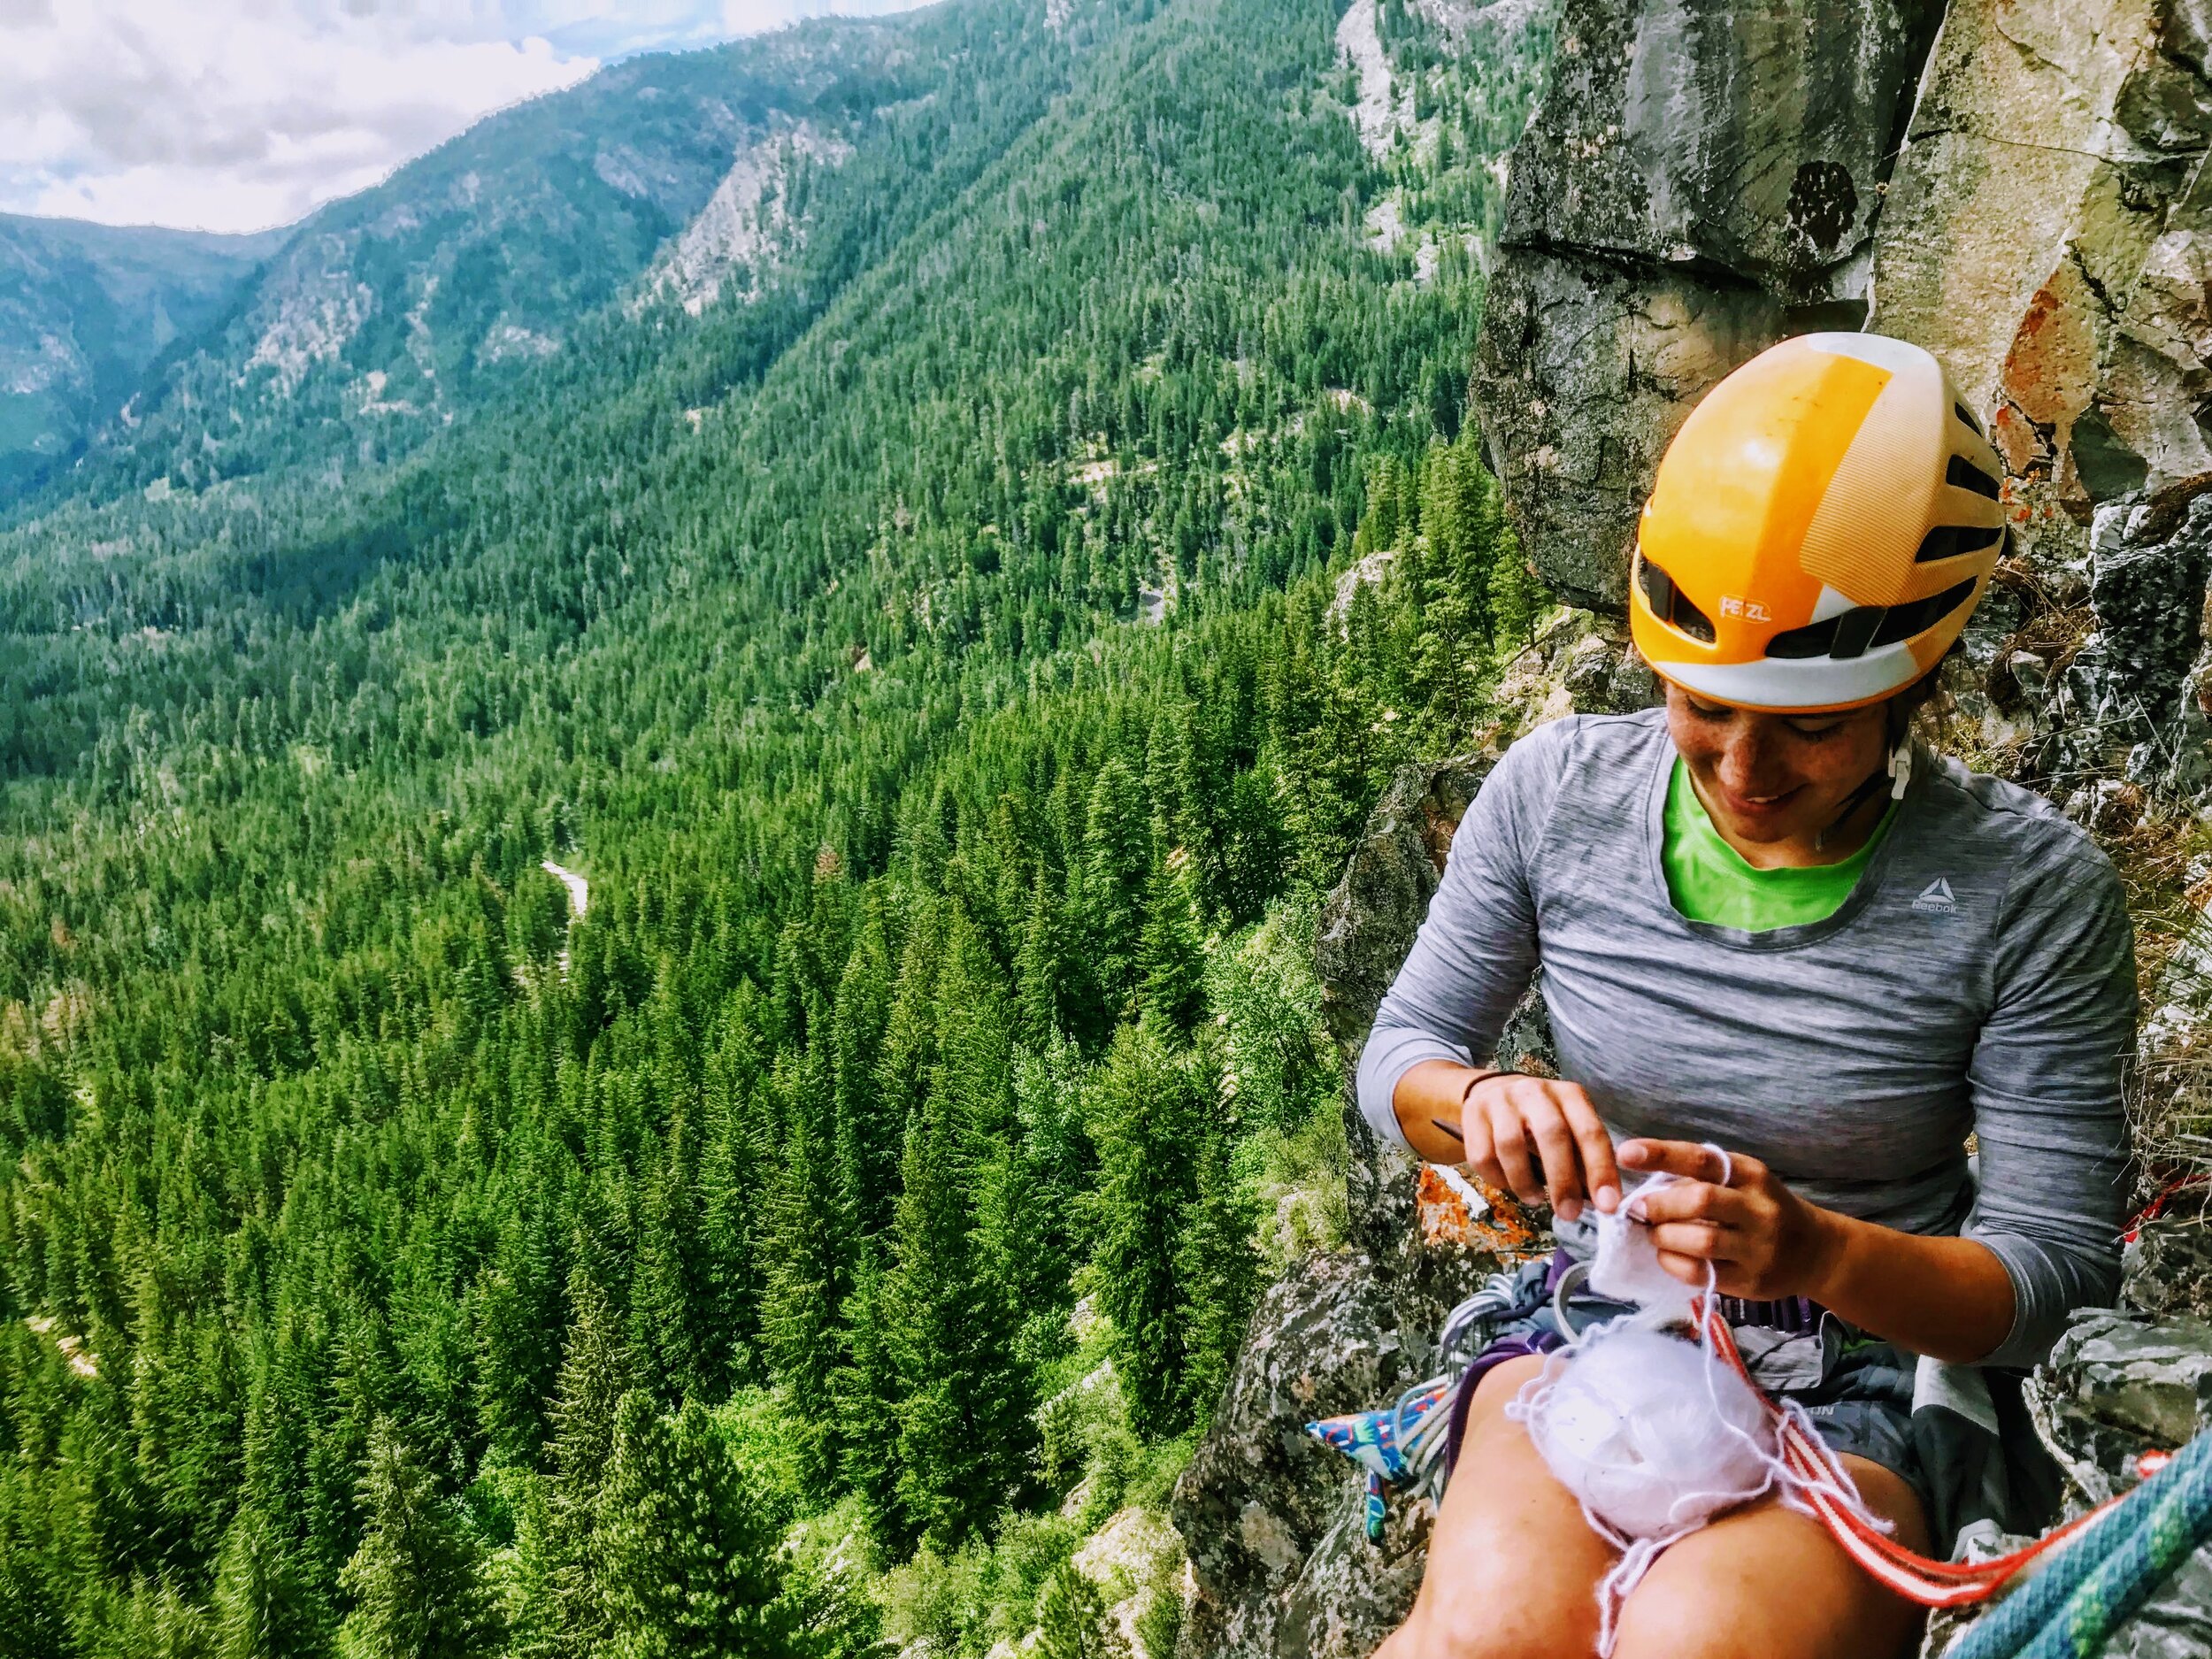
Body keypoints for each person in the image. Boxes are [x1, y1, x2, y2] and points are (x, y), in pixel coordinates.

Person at [1358, 333, 2136, 1659]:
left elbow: (2048, 1279)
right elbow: (1403, 1061)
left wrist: (1821, 1253)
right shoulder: (1558, 799)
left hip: (1874, 1360)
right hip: (1601, 1311)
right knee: (1482, 1634)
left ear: (1915, 685)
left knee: (1698, 1645)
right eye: (1699, 703)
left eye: (1811, 725)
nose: (1742, 766)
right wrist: (1478, 1103)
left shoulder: (2030, 894)